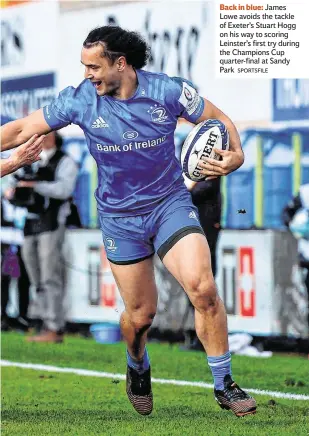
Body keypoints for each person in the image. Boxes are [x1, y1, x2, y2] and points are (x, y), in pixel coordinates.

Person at [0, 26, 256, 416]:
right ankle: (137, 364)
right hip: (119, 217)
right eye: (83, 67)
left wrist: (235, 155)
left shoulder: (168, 91)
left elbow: (218, 118)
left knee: (203, 289)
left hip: (170, 204)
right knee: (140, 317)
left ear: (121, 63)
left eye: (94, 66)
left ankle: (225, 384)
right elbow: (20, 129)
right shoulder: (80, 100)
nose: (87, 74)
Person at [8, 132, 79, 343]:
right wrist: (13, 191)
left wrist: (35, 186)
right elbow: (10, 183)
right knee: (35, 277)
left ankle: (54, 326)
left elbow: (65, 189)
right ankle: (42, 322)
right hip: (29, 223)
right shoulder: (28, 160)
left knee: (50, 276)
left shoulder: (64, 161)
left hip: (52, 223)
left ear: (53, 137)